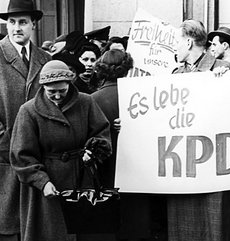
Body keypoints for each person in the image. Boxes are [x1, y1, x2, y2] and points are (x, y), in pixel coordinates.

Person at [10, 60, 112, 241]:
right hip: (47, 187)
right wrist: (41, 181)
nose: (57, 96)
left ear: (70, 85)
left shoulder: (86, 102)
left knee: (81, 231)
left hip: (81, 179)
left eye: (62, 91)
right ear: (43, 87)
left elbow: (102, 133)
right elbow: (21, 155)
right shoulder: (28, 111)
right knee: (51, 232)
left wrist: (93, 150)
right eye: (52, 92)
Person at [168, 19, 230, 241]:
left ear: (188, 42)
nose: (175, 47)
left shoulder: (224, 70)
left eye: (177, 41)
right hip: (183, 163)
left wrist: (225, 84)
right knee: (182, 224)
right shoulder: (176, 74)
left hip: (213, 162)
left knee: (213, 222)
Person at [0, 0, 51, 239]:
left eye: (23, 22)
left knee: (35, 229)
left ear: (34, 24)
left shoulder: (46, 59)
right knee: (8, 229)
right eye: (11, 22)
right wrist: (5, 138)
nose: (16, 27)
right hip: (5, 158)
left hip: (38, 160)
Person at [92, 49, 151, 241]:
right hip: (137, 170)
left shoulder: (93, 100)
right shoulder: (141, 96)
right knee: (135, 222)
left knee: (109, 225)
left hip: (106, 169)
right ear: (127, 68)